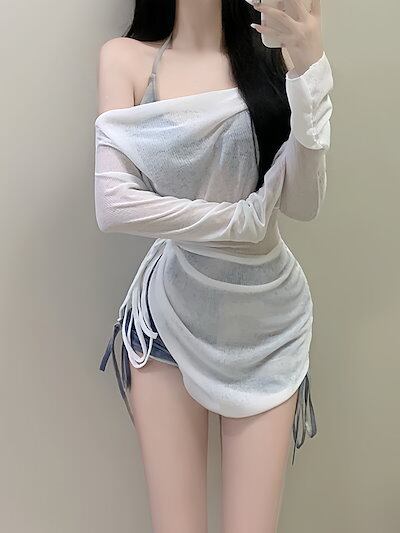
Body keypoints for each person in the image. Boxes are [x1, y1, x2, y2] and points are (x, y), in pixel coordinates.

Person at [95, 0, 333, 531]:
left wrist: (309, 67)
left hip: (267, 329)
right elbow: (113, 204)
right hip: (168, 321)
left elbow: (303, 203)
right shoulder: (126, 60)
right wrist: (240, 222)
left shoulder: (271, 58)